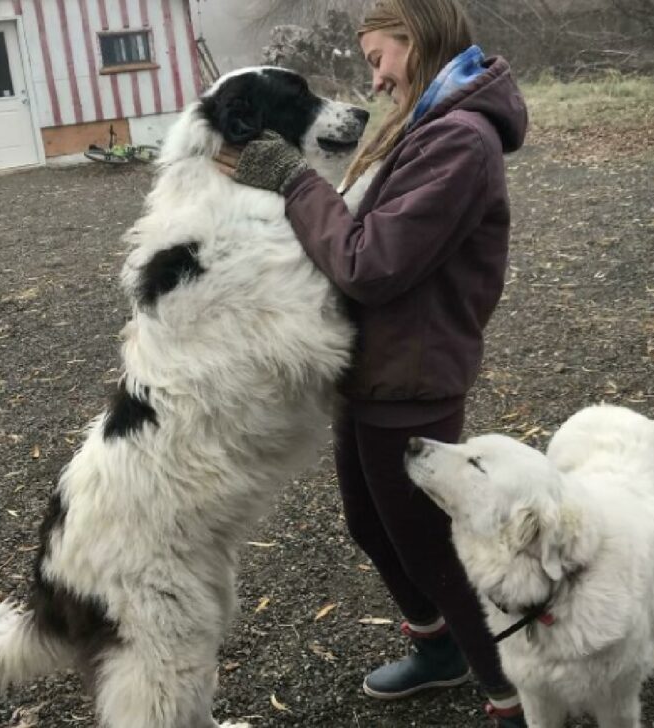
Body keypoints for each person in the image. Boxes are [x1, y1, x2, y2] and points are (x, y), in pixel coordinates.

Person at [216, 1, 528, 725]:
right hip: (372, 363)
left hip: (412, 372)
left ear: (414, 43)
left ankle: (514, 694)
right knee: (370, 523)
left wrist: (294, 181)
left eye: (378, 59)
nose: (377, 79)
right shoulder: (428, 121)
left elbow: (370, 260)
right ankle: (440, 650)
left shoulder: (461, 141)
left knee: (431, 548)